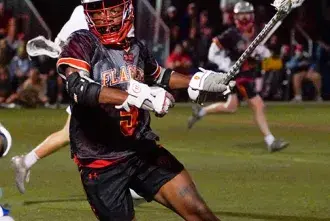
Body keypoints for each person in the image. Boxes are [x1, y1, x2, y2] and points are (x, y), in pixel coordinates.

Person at [51, 0, 232, 220]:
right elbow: (77, 87)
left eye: (113, 11)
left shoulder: (135, 46)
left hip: (141, 150)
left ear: (126, 10)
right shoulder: (81, 41)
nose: (106, 19)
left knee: (199, 212)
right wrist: (136, 97)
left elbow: (160, 76)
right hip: (101, 163)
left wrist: (197, 81)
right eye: (98, 13)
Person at [11, 4, 142, 200]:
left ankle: (25, 162)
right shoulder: (89, 12)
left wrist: (54, 47)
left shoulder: (86, 11)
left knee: (71, 134)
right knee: (117, 129)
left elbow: (62, 43)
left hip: (99, 80)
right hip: (94, 83)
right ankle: (126, 182)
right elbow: (65, 45)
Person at [188, 1, 289, 153]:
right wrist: (227, 65)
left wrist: (263, 53)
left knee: (231, 106)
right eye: (241, 15)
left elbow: (258, 54)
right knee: (258, 105)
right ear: (235, 17)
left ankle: (200, 112)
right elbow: (212, 52)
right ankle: (270, 140)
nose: (245, 17)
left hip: (247, 73)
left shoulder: (256, 32)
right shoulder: (231, 34)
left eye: (247, 14)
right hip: (239, 75)